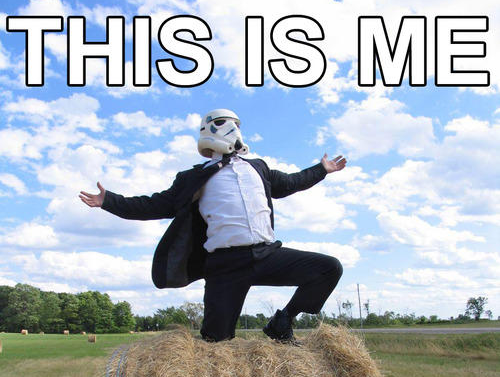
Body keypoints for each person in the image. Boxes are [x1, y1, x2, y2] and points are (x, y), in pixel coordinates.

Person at [79, 109, 346, 343]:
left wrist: (321, 169)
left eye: (236, 125)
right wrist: (109, 201)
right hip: (226, 265)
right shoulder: (194, 177)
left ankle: (283, 320)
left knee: (328, 268)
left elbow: (291, 182)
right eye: (225, 123)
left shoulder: (258, 168)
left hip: (267, 254)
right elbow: (154, 204)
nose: (234, 130)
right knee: (216, 342)